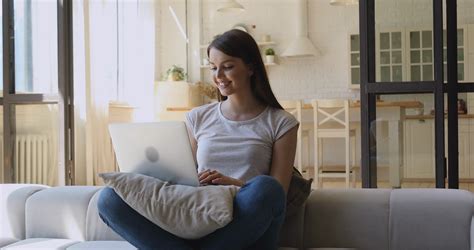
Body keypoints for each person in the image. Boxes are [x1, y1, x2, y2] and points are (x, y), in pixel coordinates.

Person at [97, 29, 299, 250]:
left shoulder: (281, 122)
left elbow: (279, 192)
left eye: (228, 66)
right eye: (213, 68)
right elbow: (186, 175)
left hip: (246, 220)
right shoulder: (199, 116)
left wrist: (231, 182)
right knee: (109, 198)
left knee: (265, 188)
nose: (218, 76)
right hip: (200, 214)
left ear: (251, 67)